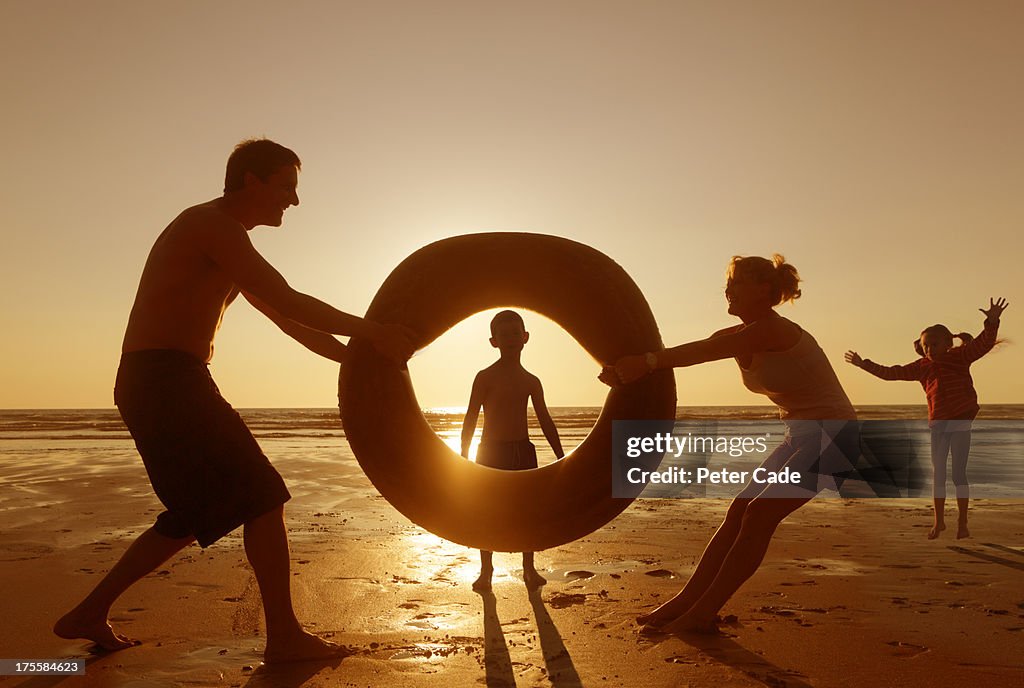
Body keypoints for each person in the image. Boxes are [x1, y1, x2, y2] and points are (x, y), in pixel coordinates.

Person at [53, 138, 415, 663]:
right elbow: (291, 298)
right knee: (263, 494)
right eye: (286, 186)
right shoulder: (209, 225)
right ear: (252, 181)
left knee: (191, 512)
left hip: (169, 379)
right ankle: (285, 637)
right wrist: (375, 331)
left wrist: (355, 360)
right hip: (163, 380)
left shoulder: (227, 241)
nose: (293, 201)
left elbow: (288, 319)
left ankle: (88, 612)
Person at [602, 254, 860, 634]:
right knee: (740, 509)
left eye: (737, 282)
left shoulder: (773, 330)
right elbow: (690, 351)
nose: (728, 289)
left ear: (764, 290)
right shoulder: (736, 337)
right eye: (729, 281)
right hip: (800, 435)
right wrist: (628, 369)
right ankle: (685, 601)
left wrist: (648, 361)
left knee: (759, 515)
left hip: (837, 437)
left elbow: (700, 354)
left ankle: (703, 612)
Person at [845, 298, 1007, 540]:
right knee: (938, 473)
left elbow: (983, 344)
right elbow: (892, 373)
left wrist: (992, 320)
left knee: (958, 474)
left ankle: (962, 523)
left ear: (948, 344)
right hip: (939, 425)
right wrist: (863, 364)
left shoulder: (960, 356)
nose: (929, 349)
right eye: (925, 346)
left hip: (961, 422)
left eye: (934, 344)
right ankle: (939, 522)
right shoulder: (921, 366)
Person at [460, 310, 565, 590]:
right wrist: (463, 455)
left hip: (522, 450)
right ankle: (486, 571)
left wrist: (561, 456)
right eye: (503, 334)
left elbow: (545, 420)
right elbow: (470, 416)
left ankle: (528, 569)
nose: (510, 338)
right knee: (487, 511)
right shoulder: (484, 377)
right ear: (493, 341)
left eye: (515, 333)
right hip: (490, 451)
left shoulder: (531, 381)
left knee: (527, 511)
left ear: (525, 338)